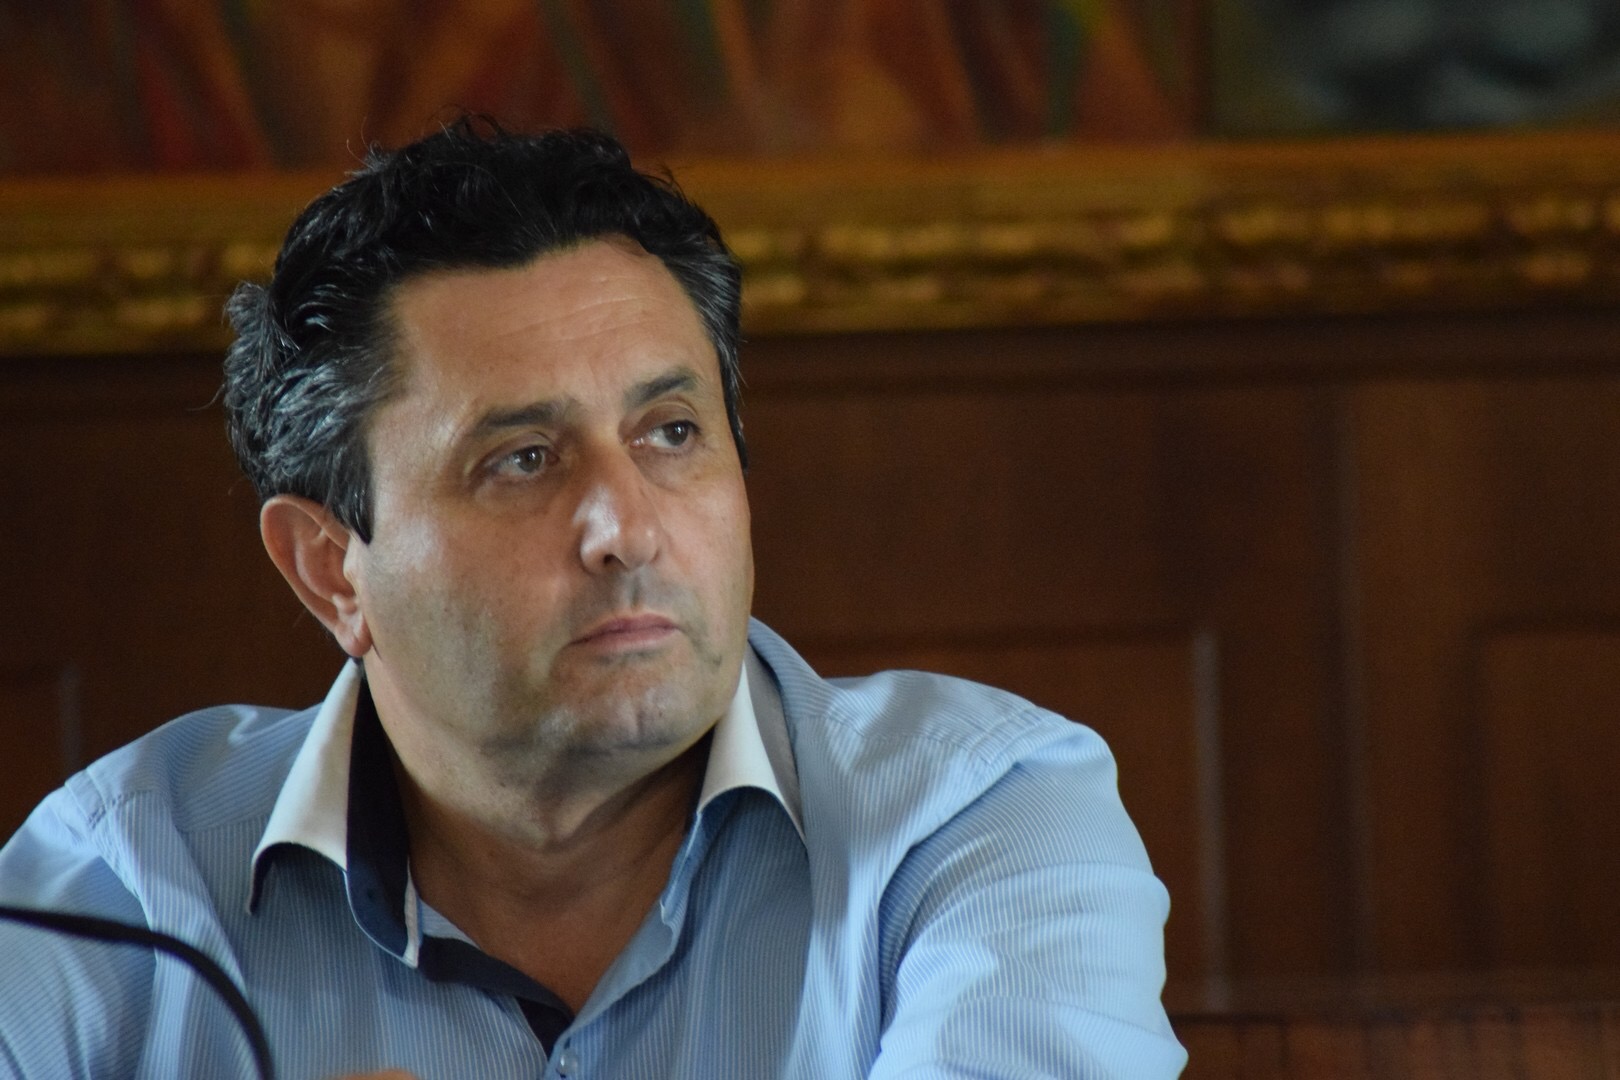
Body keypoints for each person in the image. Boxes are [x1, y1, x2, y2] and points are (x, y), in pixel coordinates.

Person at [0, 120, 1186, 1079]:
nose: (628, 529)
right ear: (330, 568)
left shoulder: (976, 815)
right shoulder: (121, 878)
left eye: (671, 433)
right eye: (522, 460)